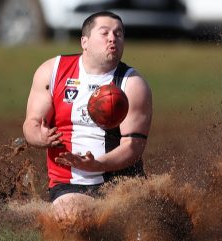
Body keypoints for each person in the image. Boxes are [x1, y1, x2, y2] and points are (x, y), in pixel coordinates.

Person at [22, 11, 153, 224]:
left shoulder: (133, 83)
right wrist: (40, 137)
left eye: (119, 34)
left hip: (119, 182)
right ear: (85, 41)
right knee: (72, 221)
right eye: (105, 33)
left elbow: (133, 147)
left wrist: (97, 164)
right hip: (71, 183)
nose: (113, 38)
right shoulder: (52, 71)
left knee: (151, 229)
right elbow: (31, 124)